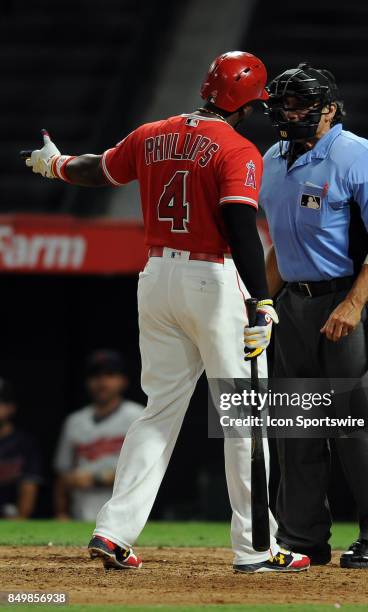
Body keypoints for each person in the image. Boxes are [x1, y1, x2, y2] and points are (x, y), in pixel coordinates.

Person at [23, 51, 309, 573]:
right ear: (246, 102)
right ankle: (256, 549)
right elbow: (241, 226)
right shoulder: (240, 148)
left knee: (158, 412)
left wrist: (57, 164)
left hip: (156, 278)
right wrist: (263, 301)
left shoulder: (152, 132)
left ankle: (113, 532)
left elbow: (99, 170)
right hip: (214, 280)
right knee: (246, 417)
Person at [261, 62, 368, 569]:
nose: (288, 112)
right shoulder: (273, 158)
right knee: (295, 427)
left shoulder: (360, 155)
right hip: (293, 307)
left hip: (344, 302)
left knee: (357, 424)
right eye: (283, 103)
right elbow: (281, 247)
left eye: (299, 103)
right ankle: (302, 538)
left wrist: (353, 303)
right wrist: (261, 304)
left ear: (328, 108)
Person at [54, 350, 143, 521]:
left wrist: (97, 478)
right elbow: (62, 474)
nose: (102, 382)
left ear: (123, 381)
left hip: (127, 517)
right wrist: (61, 512)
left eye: (110, 375)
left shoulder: (138, 416)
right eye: (96, 376)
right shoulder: (74, 421)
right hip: (80, 513)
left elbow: (143, 471)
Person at [0, 378, 42, 518]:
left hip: (11, 518)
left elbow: (29, 487)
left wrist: (20, 519)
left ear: (11, 407)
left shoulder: (24, 443)